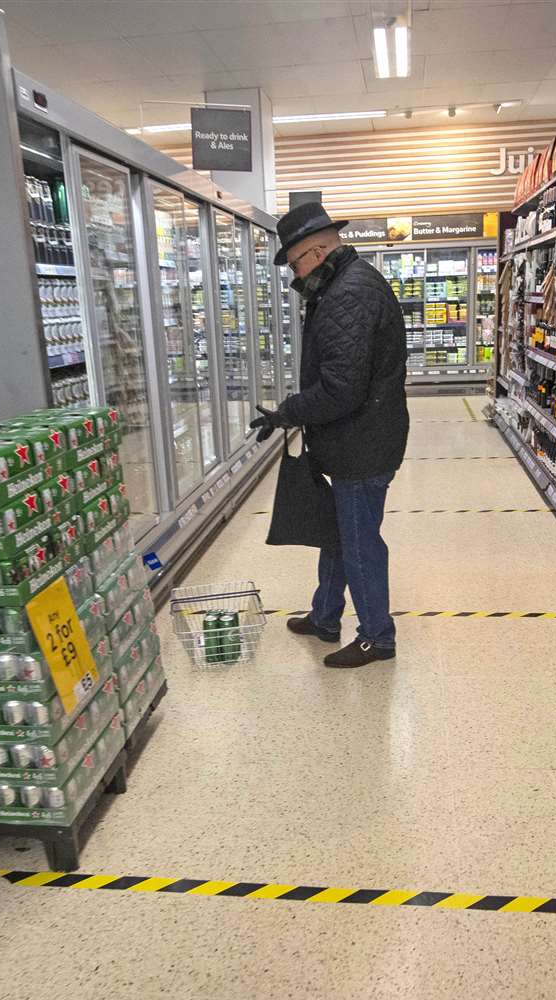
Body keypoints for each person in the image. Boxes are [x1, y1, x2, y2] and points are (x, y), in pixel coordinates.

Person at [249, 202, 409, 669]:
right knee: (338, 534)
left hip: (362, 442)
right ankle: (324, 616)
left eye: (295, 263)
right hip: (358, 437)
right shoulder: (346, 283)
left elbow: (341, 388)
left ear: (316, 252)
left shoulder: (347, 295)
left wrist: (288, 412)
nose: (295, 275)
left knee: (359, 541)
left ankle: (378, 637)